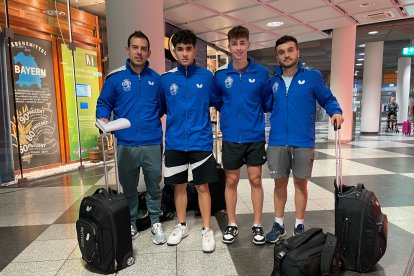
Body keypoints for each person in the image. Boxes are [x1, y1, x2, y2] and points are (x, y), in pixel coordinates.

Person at [265, 35, 344, 243]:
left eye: (290, 50)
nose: (286, 55)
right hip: (277, 141)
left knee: (301, 184)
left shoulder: (313, 77)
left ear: (297, 52)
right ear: (277, 56)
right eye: (281, 52)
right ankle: (278, 224)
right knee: (279, 185)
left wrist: (335, 112)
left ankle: (299, 224)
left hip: (303, 141)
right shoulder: (273, 81)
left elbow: (328, 98)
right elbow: (262, 104)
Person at [96, 31, 166, 244]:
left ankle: (155, 221)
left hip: (152, 142)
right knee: (129, 188)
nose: (139, 52)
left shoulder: (156, 79)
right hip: (125, 144)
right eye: (135, 47)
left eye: (143, 48)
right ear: (127, 50)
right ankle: (131, 223)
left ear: (149, 52)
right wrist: (102, 120)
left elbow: (161, 108)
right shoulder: (115, 78)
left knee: (155, 185)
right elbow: (103, 104)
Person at [160, 30, 219, 253]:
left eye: (189, 49)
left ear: (195, 50)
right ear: (173, 51)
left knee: (203, 186)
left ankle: (206, 229)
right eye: (180, 49)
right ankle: (182, 225)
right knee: (179, 186)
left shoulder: (207, 77)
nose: (184, 53)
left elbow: (217, 102)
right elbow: (162, 108)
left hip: (201, 141)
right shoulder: (165, 80)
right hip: (175, 142)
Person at [213, 26, 273, 245]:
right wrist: (229, 117)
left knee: (256, 180)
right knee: (231, 180)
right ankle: (232, 223)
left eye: (242, 43)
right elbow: (217, 101)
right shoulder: (220, 76)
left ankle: (257, 225)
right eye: (234, 44)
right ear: (228, 46)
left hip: (255, 137)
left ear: (248, 44)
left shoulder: (261, 74)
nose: (238, 48)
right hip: (230, 137)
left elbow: (267, 102)